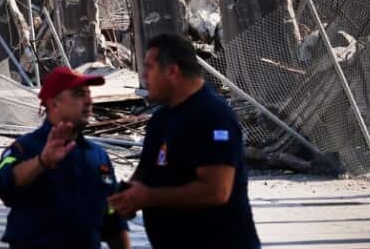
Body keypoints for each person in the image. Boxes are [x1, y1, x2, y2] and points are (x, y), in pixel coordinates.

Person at [108, 32, 260, 248]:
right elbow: (144, 172)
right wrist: (123, 198)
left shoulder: (212, 116)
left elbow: (216, 191)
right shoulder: (161, 119)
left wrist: (148, 197)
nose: (143, 76)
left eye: (149, 67)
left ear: (172, 71)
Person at [0, 66, 131, 249]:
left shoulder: (98, 157)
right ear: (54, 103)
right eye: (79, 94)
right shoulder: (24, 148)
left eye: (89, 93)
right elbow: (3, 185)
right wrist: (41, 162)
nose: (89, 101)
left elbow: (113, 219)